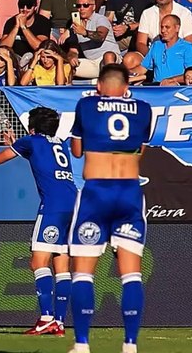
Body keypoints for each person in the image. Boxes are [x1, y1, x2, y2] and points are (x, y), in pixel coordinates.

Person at [68, 64, 152, 353]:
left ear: (99, 86)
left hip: (96, 192)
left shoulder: (86, 105)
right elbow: (140, 151)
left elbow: (77, 150)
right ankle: (130, 345)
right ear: (126, 88)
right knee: (131, 274)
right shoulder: (143, 109)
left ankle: (82, 344)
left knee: (83, 273)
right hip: (129, 191)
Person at [0, 106, 76, 336]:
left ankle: (46, 318)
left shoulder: (30, 141)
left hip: (53, 207)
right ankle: (58, 322)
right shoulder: (60, 143)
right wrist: (17, 144)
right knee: (61, 264)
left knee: (38, 262)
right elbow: (42, 156)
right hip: (73, 204)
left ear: (32, 128)